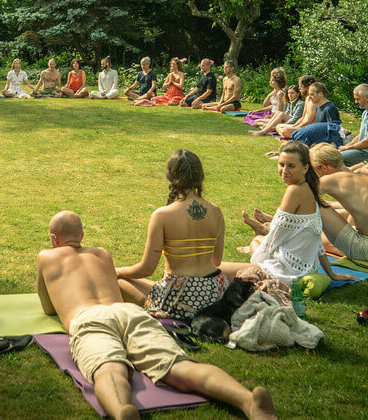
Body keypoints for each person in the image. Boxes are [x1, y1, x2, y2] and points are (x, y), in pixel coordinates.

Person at [37, 211, 279, 420]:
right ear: (81, 236)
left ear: (53, 238)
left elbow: (48, 307)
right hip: (127, 312)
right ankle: (248, 400)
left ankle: (122, 410)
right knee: (177, 364)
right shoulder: (102, 253)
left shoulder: (46, 257)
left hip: (88, 317)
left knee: (109, 366)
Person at [114, 150, 229, 319]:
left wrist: (116, 271)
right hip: (217, 291)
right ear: (200, 176)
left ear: (170, 176)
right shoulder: (216, 211)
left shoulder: (162, 215)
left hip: (183, 296)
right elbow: (216, 261)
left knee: (118, 283)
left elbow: (147, 268)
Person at [223, 142, 350, 285]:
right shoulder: (308, 188)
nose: (284, 170)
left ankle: (258, 235)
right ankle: (258, 233)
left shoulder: (294, 191)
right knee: (257, 240)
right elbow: (317, 241)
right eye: (281, 164)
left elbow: (274, 238)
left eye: (291, 166)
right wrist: (332, 274)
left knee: (216, 270)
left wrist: (255, 265)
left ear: (305, 168)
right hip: (306, 269)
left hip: (286, 272)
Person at [307, 143, 368, 265]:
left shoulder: (330, 179)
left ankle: (276, 227)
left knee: (314, 209)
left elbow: (301, 195)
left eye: (315, 172)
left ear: (324, 168)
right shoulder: (364, 179)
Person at [336, 84, 368, 165]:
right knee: (333, 154)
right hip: (362, 149)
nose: (356, 102)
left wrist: (348, 147)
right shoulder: (366, 113)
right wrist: (346, 147)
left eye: (357, 99)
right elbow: (360, 135)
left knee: (335, 159)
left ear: (367, 98)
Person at [287, 82, 343, 147]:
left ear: (320, 94)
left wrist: (339, 147)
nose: (309, 97)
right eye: (309, 94)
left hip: (327, 141)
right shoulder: (318, 107)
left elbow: (335, 130)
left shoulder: (329, 108)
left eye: (312, 94)